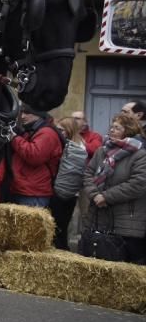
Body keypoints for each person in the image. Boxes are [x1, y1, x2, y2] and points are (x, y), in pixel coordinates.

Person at [79, 111, 146, 264]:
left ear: (127, 131)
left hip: (126, 220)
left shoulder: (139, 155)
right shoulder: (102, 151)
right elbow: (88, 174)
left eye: (117, 128)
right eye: (111, 127)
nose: (111, 130)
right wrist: (95, 195)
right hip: (98, 216)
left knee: (126, 265)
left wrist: (106, 196)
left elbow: (138, 183)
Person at [0, 104, 62, 206]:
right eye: (22, 113)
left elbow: (34, 156)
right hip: (22, 190)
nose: (22, 116)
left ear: (39, 114)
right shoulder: (31, 131)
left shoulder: (47, 133)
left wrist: (14, 138)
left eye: (27, 113)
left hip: (34, 193)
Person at [51, 117, 88, 250]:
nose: (57, 132)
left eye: (60, 130)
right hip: (73, 194)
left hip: (59, 193)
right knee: (62, 227)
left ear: (68, 131)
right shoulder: (82, 145)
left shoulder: (67, 147)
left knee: (56, 228)